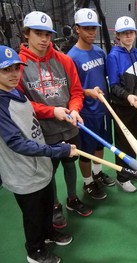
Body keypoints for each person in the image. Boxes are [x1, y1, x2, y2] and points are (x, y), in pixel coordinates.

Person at [17, 11, 92, 229]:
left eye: (47, 35)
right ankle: (54, 205)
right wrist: (52, 112)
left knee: (71, 163)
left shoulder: (64, 60)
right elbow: (22, 104)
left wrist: (74, 109)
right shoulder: (18, 65)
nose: (44, 39)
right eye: (38, 34)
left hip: (69, 127)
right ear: (26, 34)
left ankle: (71, 199)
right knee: (49, 171)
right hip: (43, 132)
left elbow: (77, 92)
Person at [0, 45, 74, 263]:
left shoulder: (16, 91)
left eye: (16, 68)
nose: (14, 74)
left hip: (39, 166)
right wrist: (58, 149)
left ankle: (49, 233)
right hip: (22, 173)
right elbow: (17, 143)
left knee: (46, 205)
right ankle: (35, 251)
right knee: (32, 215)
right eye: (6, 70)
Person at [67, 8, 115, 200]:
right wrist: (88, 92)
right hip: (86, 113)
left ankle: (97, 172)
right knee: (86, 151)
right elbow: (73, 90)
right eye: (87, 28)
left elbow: (104, 78)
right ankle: (88, 183)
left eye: (94, 28)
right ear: (77, 29)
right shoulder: (72, 57)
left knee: (100, 145)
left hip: (103, 110)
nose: (92, 32)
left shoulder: (99, 52)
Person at [106, 16, 137, 192]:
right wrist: (128, 97)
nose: (128, 36)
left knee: (135, 141)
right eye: (124, 34)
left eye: (130, 33)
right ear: (118, 35)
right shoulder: (113, 56)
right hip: (121, 107)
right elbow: (114, 86)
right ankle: (122, 178)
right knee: (123, 142)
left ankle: (131, 171)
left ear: (135, 34)